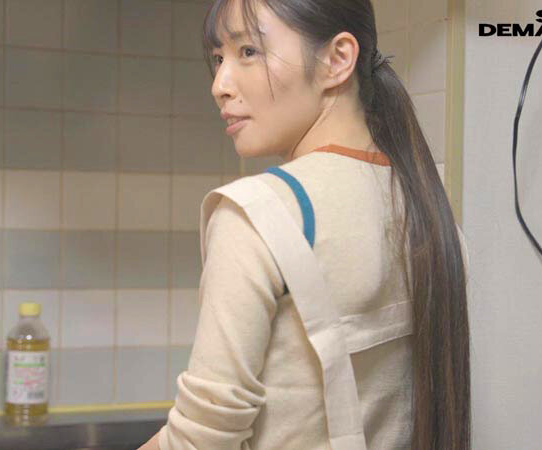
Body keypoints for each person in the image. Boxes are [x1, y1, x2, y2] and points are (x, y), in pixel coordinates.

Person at [139, 0, 471, 448]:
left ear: (337, 59)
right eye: (218, 58)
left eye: (248, 51)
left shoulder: (257, 212)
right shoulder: (424, 205)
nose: (220, 85)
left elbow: (199, 440)